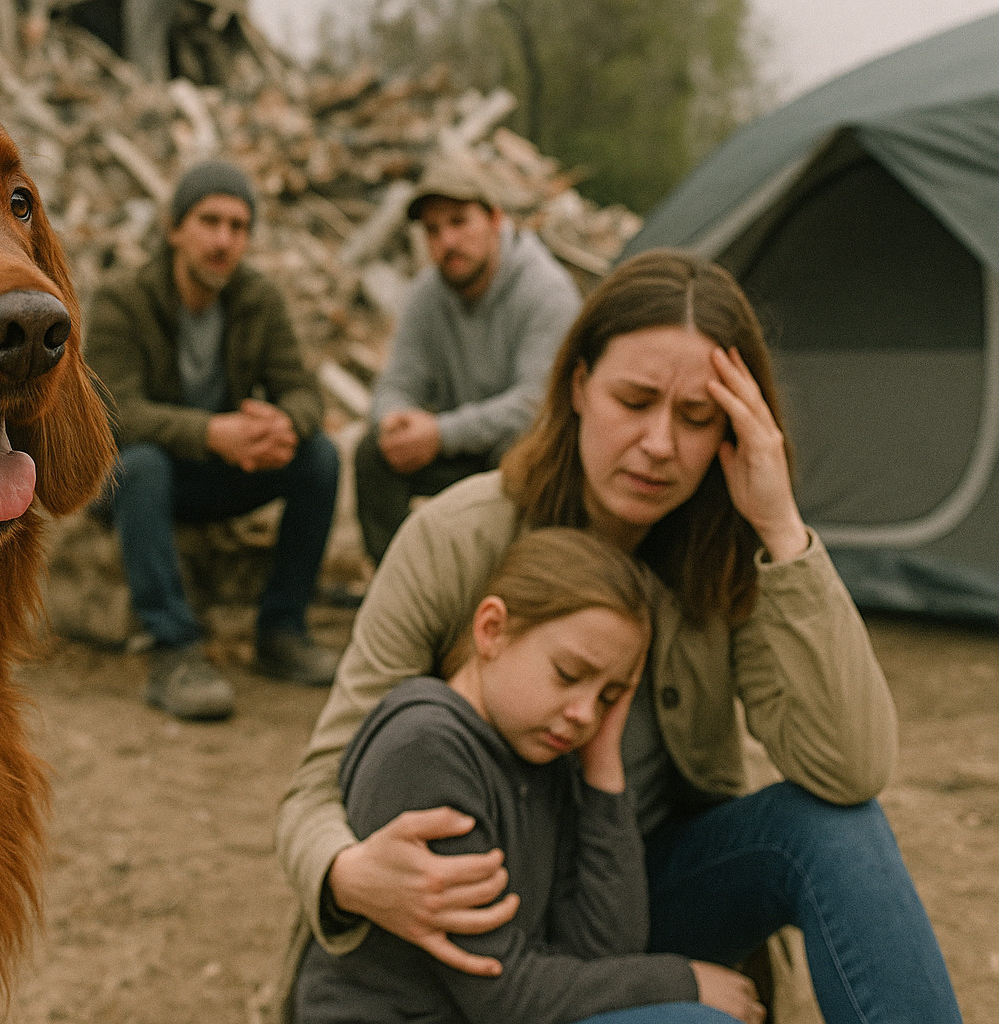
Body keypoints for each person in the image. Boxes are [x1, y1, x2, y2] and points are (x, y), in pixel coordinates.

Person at [276, 250, 963, 1023]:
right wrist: (346, 872)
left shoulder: (728, 554)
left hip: (629, 899)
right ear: (578, 385)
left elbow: (852, 766)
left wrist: (781, 529)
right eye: (634, 400)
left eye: (697, 418)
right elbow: (317, 783)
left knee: (835, 831)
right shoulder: (458, 537)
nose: (660, 444)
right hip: (480, 941)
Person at [293, 527, 762, 1024]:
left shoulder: (544, 753)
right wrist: (680, 981)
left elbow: (604, 949)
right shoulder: (426, 749)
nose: (585, 713)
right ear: (492, 629)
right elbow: (503, 993)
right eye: (568, 674)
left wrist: (603, 770)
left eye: (609, 696)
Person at [88, 159, 342, 722]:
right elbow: (112, 413)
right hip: (135, 481)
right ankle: (173, 650)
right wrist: (211, 432)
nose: (224, 240)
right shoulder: (121, 300)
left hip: (216, 471)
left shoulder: (257, 298)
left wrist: (285, 424)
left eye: (238, 226)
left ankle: (281, 631)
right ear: (175, 228)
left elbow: (302, 390)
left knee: (319, 457)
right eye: (209, 221)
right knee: (144, 461)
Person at [354, 155, 581, 565]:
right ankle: (398, 589)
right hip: (463, 446)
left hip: (523, 452)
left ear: (495, 220)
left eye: (459, 222)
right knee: (374, 453)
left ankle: (511, 591)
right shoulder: (429, 292)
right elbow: (397, 381)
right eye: (433, 230)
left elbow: (536, 405)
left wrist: (440, 433)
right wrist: (393, 421)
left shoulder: (547, 293)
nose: (447, 242)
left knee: (521, 454)